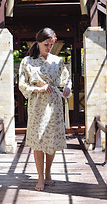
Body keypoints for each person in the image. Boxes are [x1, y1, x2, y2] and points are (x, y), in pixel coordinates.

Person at [19, 27, 72, 191]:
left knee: (52, 140)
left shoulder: (57, 60)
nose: (49, 48)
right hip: (37, 106)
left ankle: (48, 172)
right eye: (46, 45)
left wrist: (68, 88)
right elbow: (22, 84)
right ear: (38, 43)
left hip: (55, 105)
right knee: (38, 141)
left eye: (51, 44)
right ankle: (40, 177)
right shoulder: (26, 61)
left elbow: (66, 79)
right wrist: (39, 89)